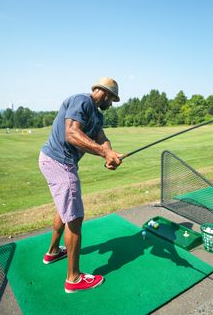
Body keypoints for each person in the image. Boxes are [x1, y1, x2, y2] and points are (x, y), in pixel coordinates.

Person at [39, 77, 123, 293]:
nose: (111, 104)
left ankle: (53, 251)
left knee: (64, 208)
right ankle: (73, 279)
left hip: (56, 161)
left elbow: (101, 136)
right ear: (105, 94)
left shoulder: (96, 113)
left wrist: (109, 154)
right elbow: (72, 134)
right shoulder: (82, 101)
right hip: (60, 162)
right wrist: (105, 152)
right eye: (112, 99)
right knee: (75, 218)